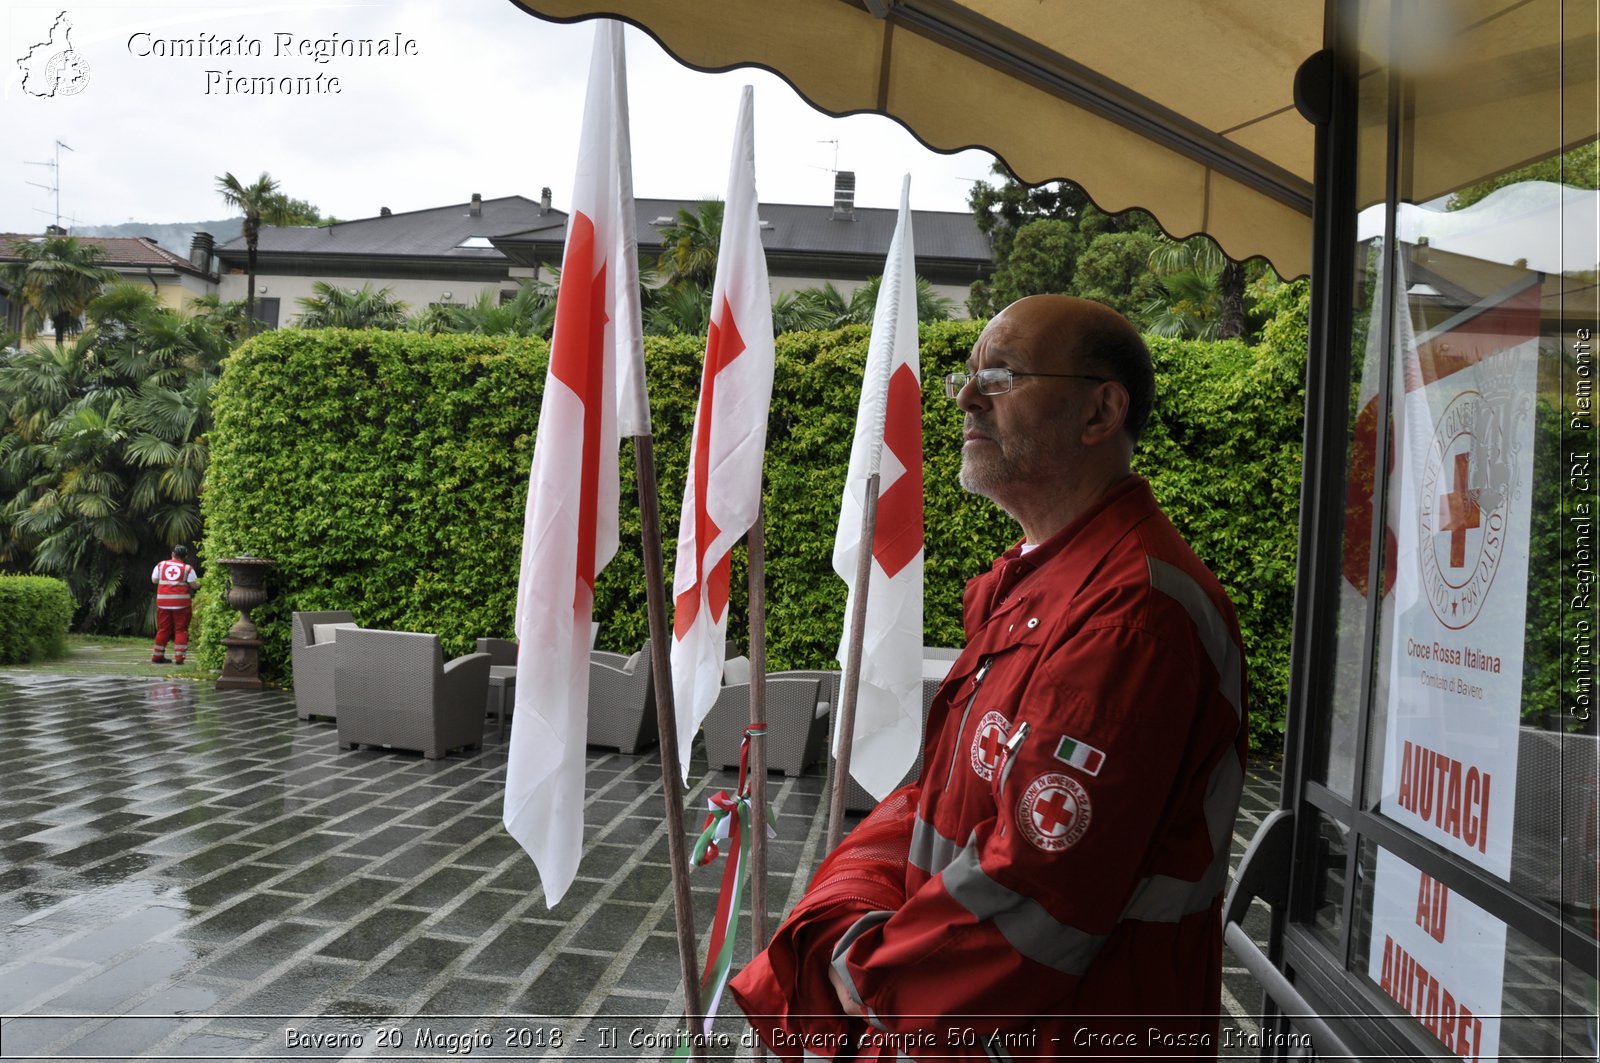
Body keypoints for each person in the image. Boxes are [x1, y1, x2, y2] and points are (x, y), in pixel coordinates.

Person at [730, 295, 1249, 1059]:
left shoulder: (1131, 616)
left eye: (1000, 375)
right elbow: (941, 793)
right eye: (967, 376)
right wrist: (845, 912)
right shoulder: (1034, 583)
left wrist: (872, 977)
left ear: (1101, 411)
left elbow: (1039, 888)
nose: (967, 398)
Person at [151, 545, 199, 664]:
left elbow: (154, 580)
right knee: (181, 630)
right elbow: (194, 585)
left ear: (172, 554)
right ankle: (179, 658)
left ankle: (157, 656)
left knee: (163, 629)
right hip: (181, 604)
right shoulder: (187, 568)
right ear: (185, 557)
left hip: (163, 603)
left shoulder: (161, 565)